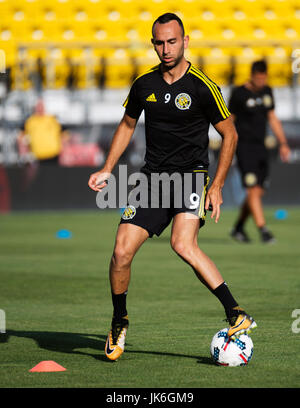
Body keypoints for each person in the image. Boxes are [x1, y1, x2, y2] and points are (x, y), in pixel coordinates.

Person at [88, 13, 257, 361]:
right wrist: (107, 168)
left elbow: (230, 134)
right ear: (154, 44)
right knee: (121, 252)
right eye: (159, 42)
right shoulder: (143, 85)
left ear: (185, 41)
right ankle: (119, 320)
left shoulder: (202, 86)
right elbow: (127, 125)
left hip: (191, 176)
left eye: (172, 41)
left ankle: (236, 313)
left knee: (183, 244)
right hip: (151, 179)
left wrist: (218, 186)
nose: (166, 48)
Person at [229, 60, 291, 244]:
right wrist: (229, 145)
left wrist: (283, 143)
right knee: (252, 189)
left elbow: (272, 118)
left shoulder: (267, 91)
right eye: (259, 78)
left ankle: (238, 227)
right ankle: (263, 229)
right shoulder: (239, 93)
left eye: (264, 78)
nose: (262, 81)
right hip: (244, 147)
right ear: (252, 75)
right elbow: (229, 120)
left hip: (261, 148)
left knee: (258, 191)